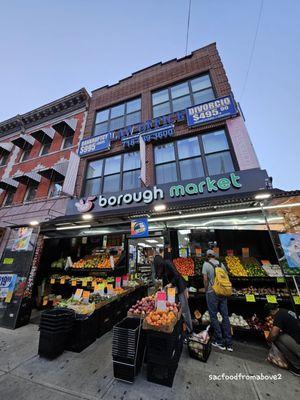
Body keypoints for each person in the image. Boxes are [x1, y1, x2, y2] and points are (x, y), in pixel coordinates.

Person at [153, 255, 193, 334]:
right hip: (173, 290)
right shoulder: (161, 268)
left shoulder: (167, 263)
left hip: (180, 287)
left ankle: (190, 330)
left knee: (184, 309)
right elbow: (162, 278)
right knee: (175, 309)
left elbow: (177, 275)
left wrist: (171, 283)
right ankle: (180, 329)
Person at [202, 249, 233, 351]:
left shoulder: (206, 264)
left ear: (207, 256)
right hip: (222, 293)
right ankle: (229, 343)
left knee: (213, 316)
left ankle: (219, 341)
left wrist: (206, 290)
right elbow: (226, 278)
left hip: (212, 293)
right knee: (225, 316)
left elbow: (205, 280)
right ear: (214, 256)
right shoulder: (221, 264)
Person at [264, 304, 300, 376]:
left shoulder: (279, 316)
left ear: (271, 311)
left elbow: (273, 334)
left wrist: (268, 340)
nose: (270, 316)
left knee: (277, 338)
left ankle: (297, 367)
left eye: (270, 314)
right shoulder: (285, 311)